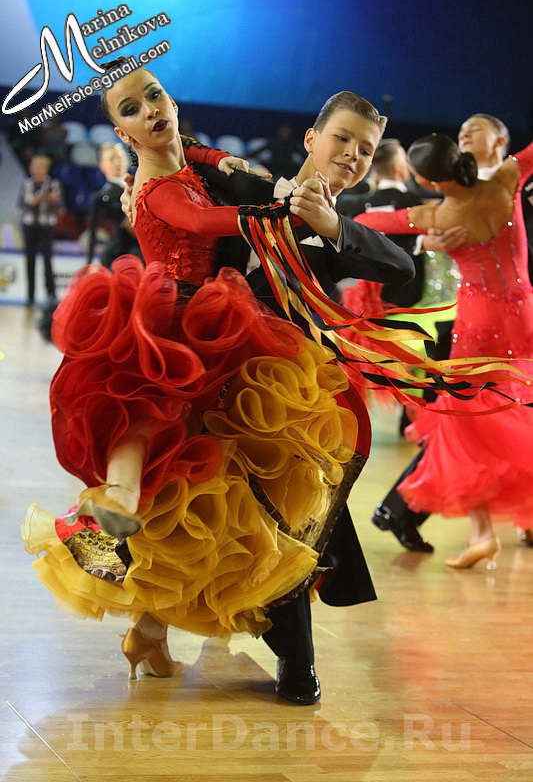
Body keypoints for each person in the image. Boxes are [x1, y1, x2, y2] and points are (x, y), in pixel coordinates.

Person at [22, 68, 420, 707]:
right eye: (342, 139)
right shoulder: (241, 183)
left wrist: (333, 227)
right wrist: (138, 190)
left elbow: (402, 269)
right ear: (312, 138)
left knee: (273, 520)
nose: (351, 155)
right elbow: (178, 188)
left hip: (279, 398)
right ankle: (137, 607)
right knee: (184, 508)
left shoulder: (342, 223)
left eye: (366, 150)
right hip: (207, 372)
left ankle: (271, 654)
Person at [352, 132, 533, 567]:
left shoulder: (437, 213)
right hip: (524, 314)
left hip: (479, 326)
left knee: (465, 424)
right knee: (521, 408)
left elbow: (369, 221)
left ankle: (482, 533)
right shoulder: (506, 179)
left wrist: (423, 236)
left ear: (425, 180)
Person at [86, 143, 143, 266]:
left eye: (120, 157)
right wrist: (89, 263)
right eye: (112, 159)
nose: (118, 162)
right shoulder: (102, 197)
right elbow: (94, 234)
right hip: (118, 255)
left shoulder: (139, 187)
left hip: (139, 253)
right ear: (102, 165)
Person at [18, 155, 63, 306]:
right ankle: (30, 296)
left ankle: (51, 295)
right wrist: (33, 202)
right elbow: (21, 205)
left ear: (45, 169)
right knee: (29, 260)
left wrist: (53, 200)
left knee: (47, 260)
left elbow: (60, 207)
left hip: (46, 225)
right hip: (29, 225)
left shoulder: (53, 185)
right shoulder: (27, 184)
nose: (35, 170)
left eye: (39, 167)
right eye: (33, 167)